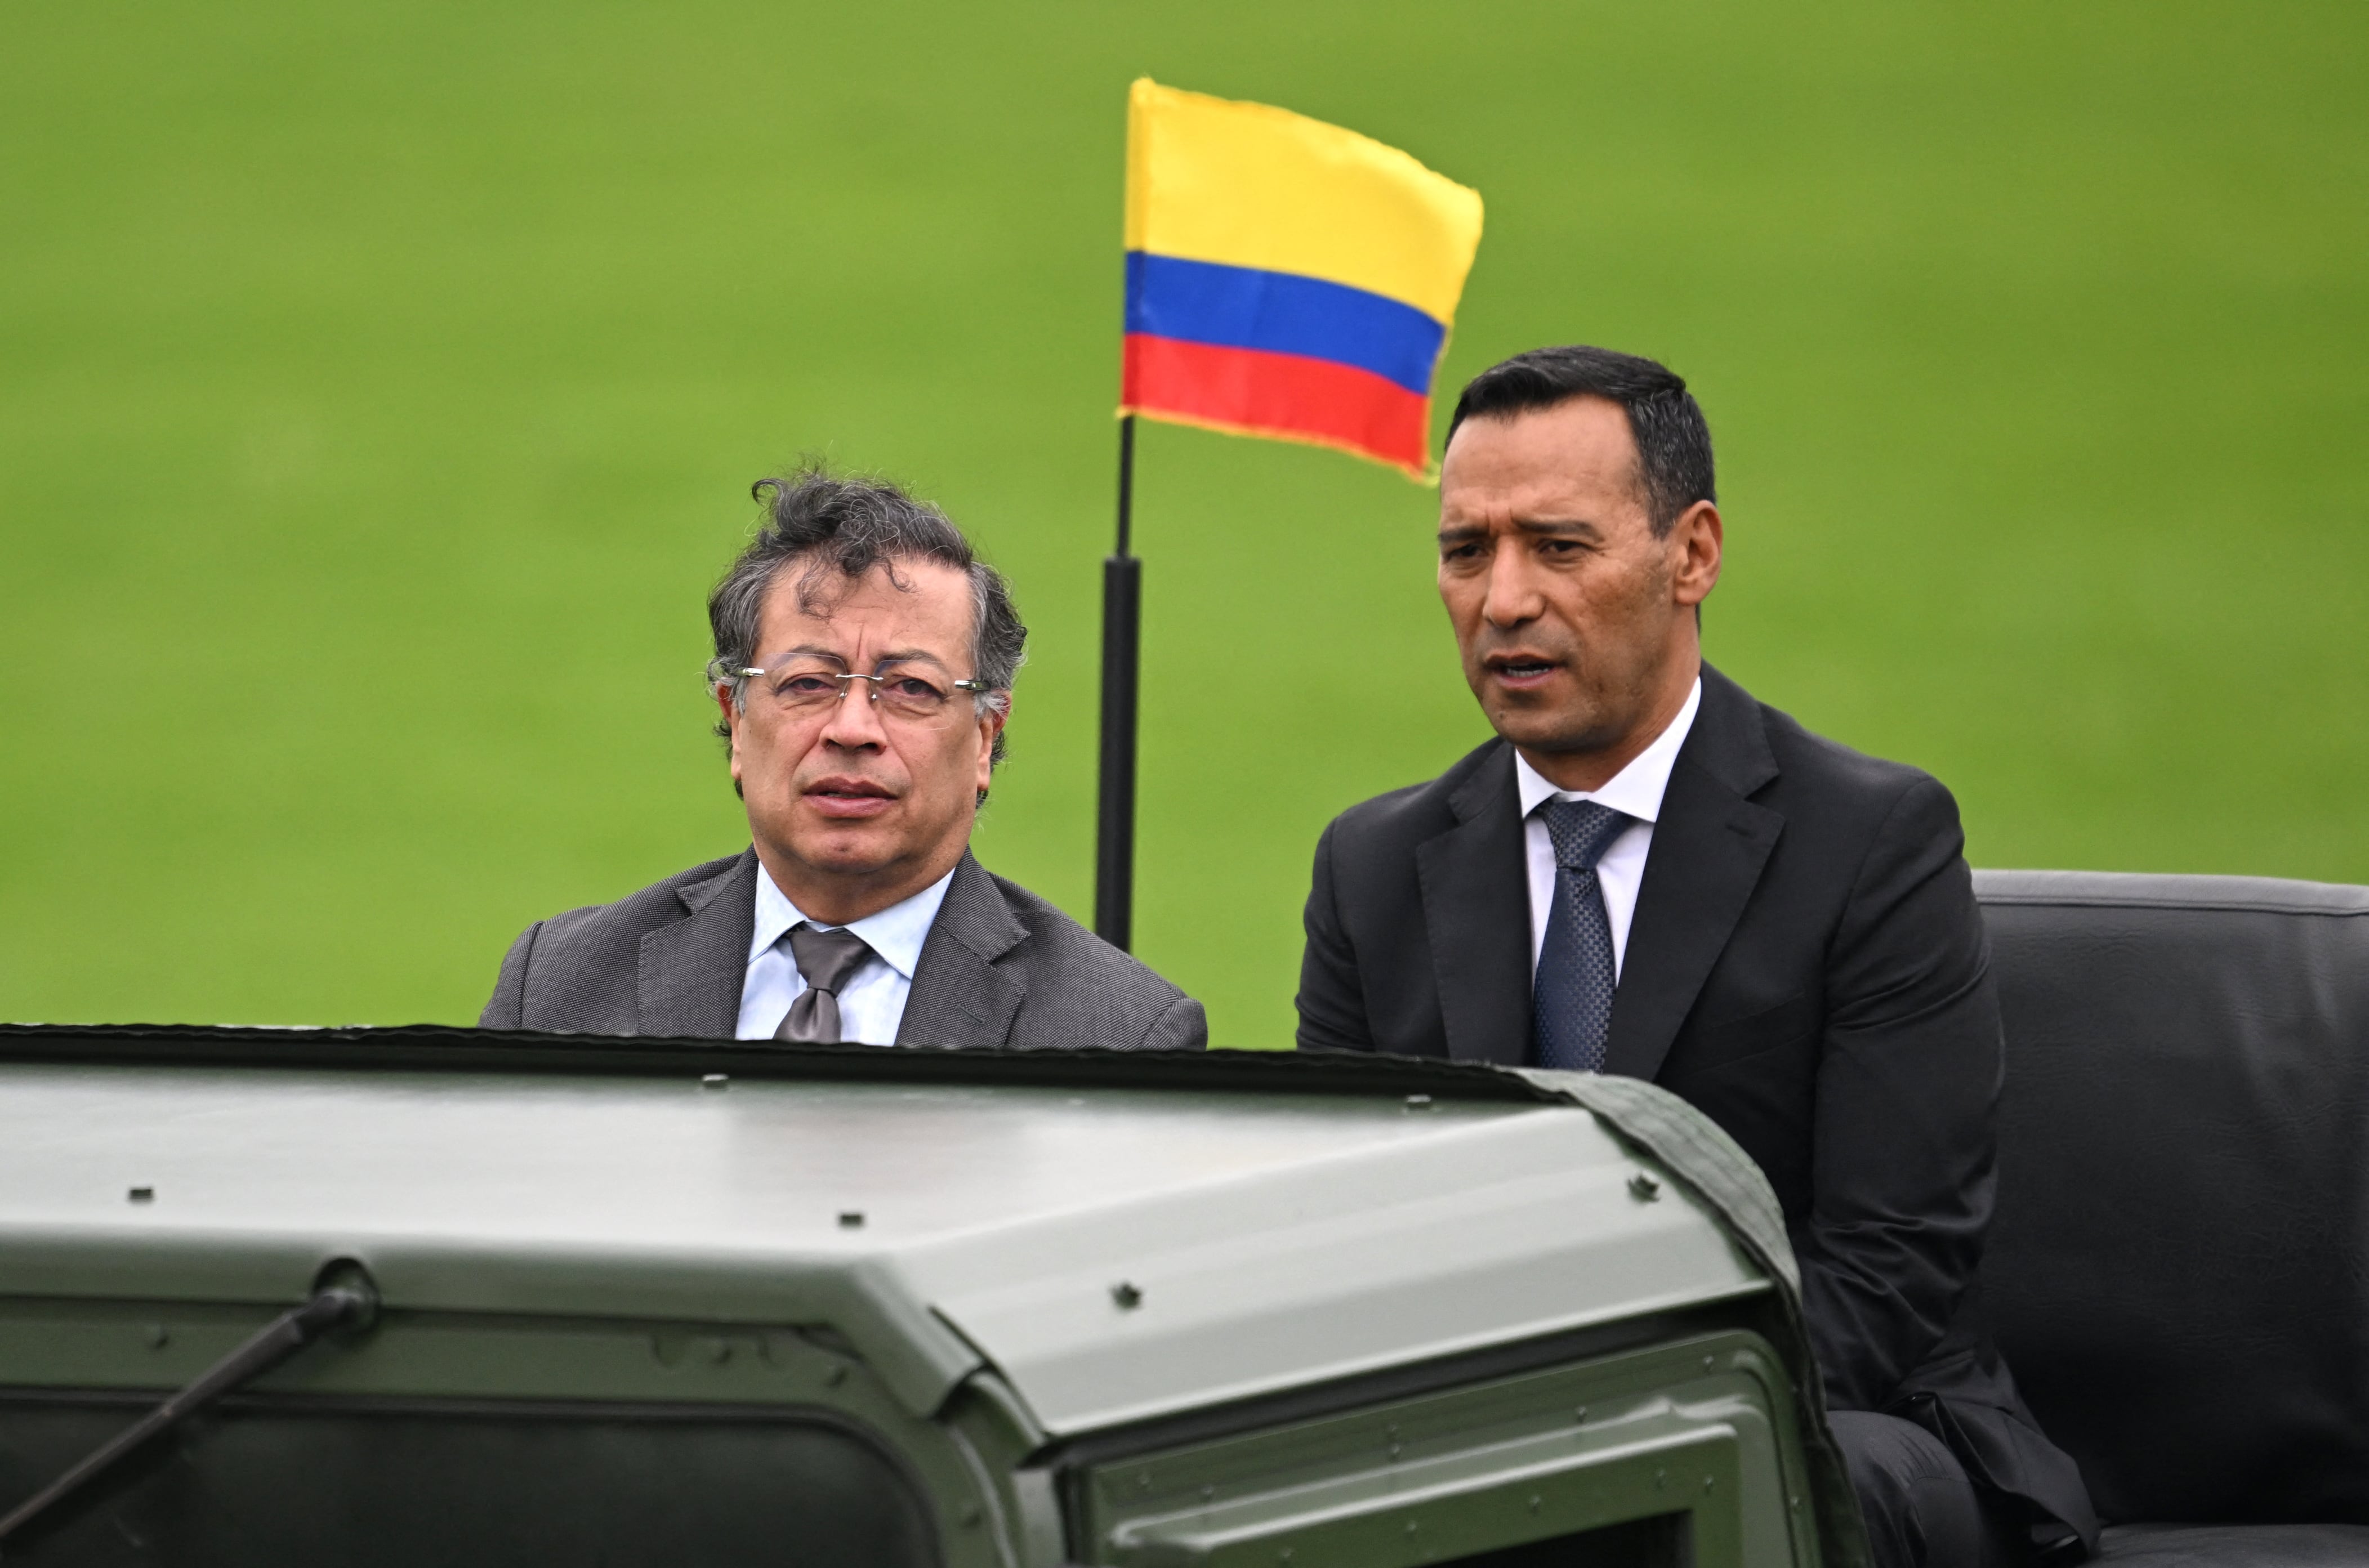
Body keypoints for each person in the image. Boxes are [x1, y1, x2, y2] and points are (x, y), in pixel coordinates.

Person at [1295, 347, 2097, 1567]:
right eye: (1467, 552)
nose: (1503, 600)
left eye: (1558, 547)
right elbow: (1347, 1235)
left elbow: (1886, 1268)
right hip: (1485, 1433)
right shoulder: (1373, 867)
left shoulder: (1872, 842)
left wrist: (1612, 1442)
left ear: (1693, 553)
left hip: (1834, 1421)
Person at [483, 467, 1207, 1052]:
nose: (853, 728)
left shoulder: (1117, 1036)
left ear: (985, 736)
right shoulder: (560, 985)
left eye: (912, 688)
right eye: (807, 683)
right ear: (735, 719)